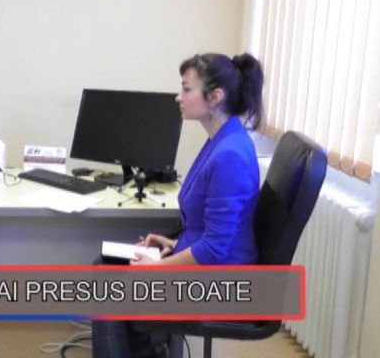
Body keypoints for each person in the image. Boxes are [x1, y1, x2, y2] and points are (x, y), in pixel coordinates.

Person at [92, 53, 264, 357]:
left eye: (186, 89)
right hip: (212, 265)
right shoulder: (222, 139)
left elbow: (215, 248)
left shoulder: (230, 155)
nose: (178, 97)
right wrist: (173, 243)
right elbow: (212, 230)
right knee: (105, 266)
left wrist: (157, 268)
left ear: (215, 97)